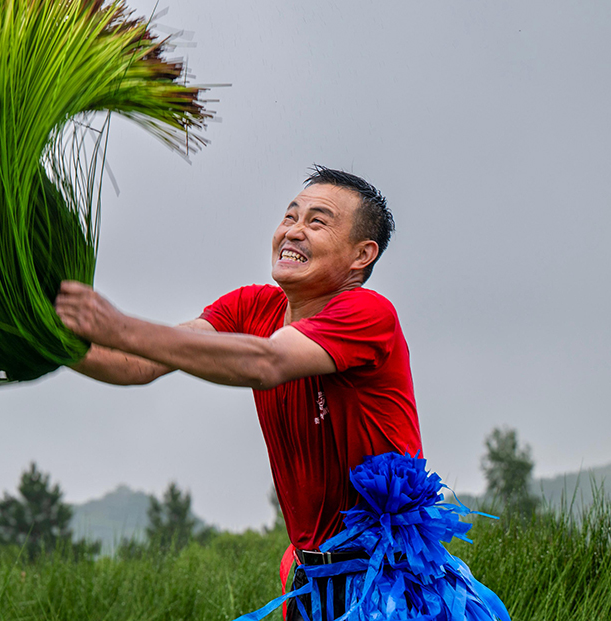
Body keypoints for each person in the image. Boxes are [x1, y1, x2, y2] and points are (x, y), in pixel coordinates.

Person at [55, 165, 421, 621]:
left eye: (317, 221)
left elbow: (266, 363)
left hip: (388, 588)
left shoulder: (367, 313)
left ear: (362, 254)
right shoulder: (252, 306)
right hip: (312, 584)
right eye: (290, 217)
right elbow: (140, 362)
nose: (294, 231)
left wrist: (116, 325)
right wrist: (43, 340)